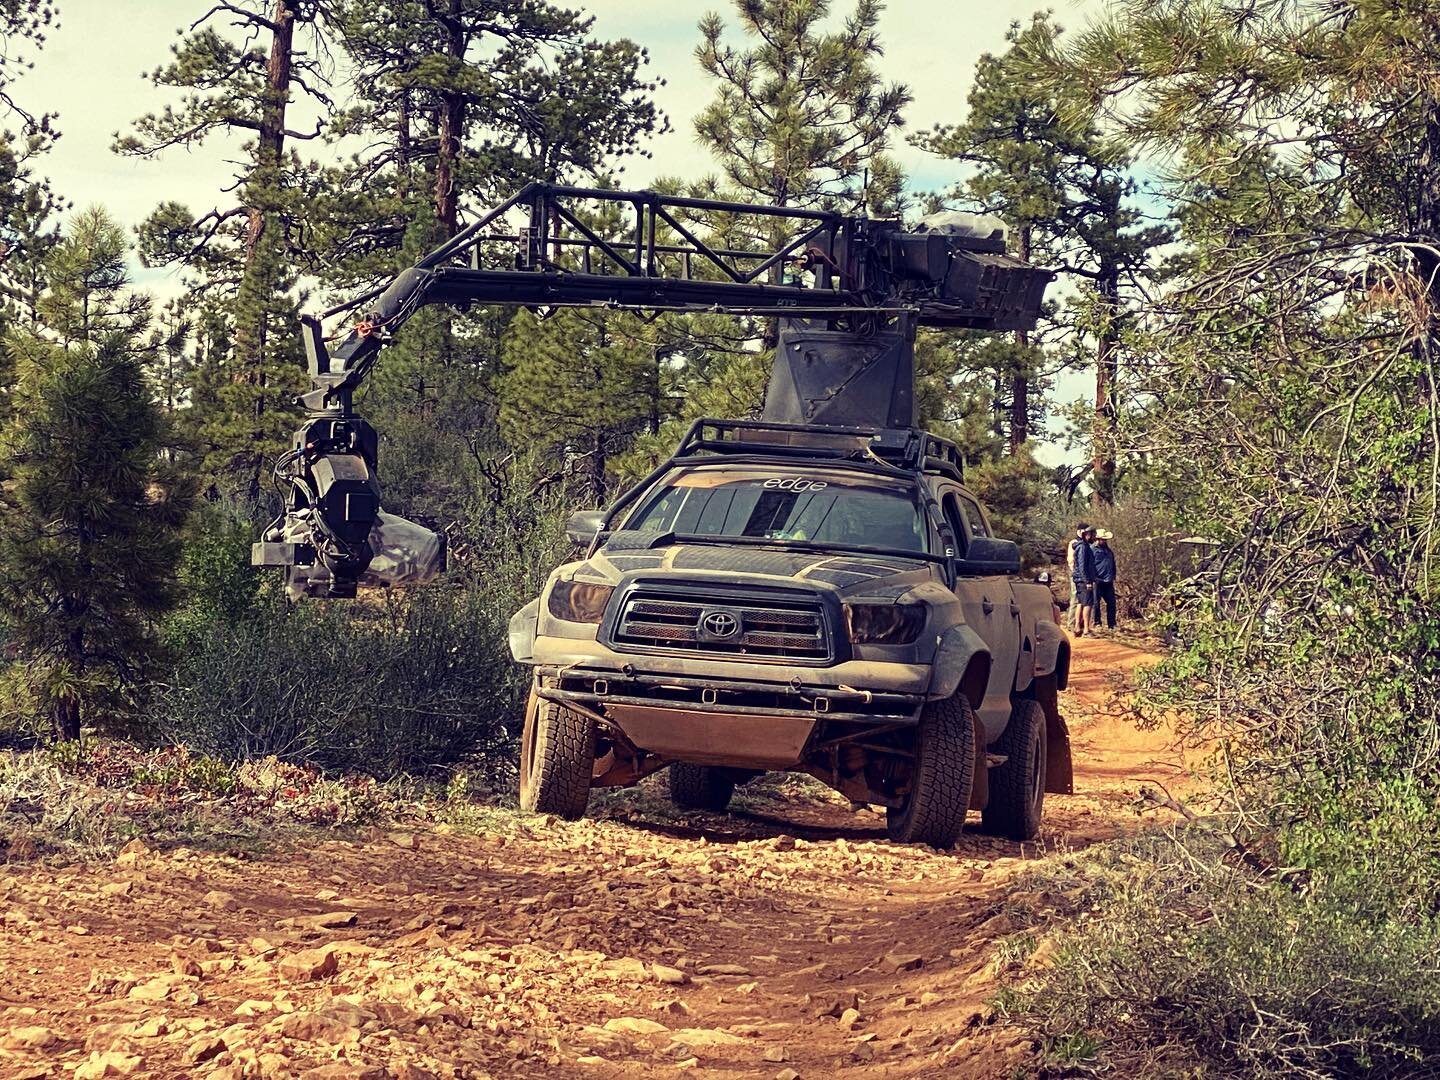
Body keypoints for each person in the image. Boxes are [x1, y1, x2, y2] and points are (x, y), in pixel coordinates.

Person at [1067, 522, 1096, 636]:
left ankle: (1077, 627)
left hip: (1079, 578)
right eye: (1091, 534)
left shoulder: (1081, 546)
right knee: (1087, 604)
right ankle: (1086, 630)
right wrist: (1087, 581)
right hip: (1083, 579)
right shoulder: (1083, 547)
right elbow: (1082, 565)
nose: (1093, 536)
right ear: (1086, 534)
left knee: (1080, 602)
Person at [1091, 528, 1118, 630]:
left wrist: (1113, 575)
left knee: (1111, 603)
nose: (1104, 541)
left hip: (1108, 581)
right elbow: (1089, 565)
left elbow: (1112, 563)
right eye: (1103, 539)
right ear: (1098, 539)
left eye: (1105, 539)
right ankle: (1097, 623)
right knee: (1096, 603)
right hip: (1097, 581)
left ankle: (1112, 624)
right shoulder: (1092, 550)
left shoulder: (1109, 551)